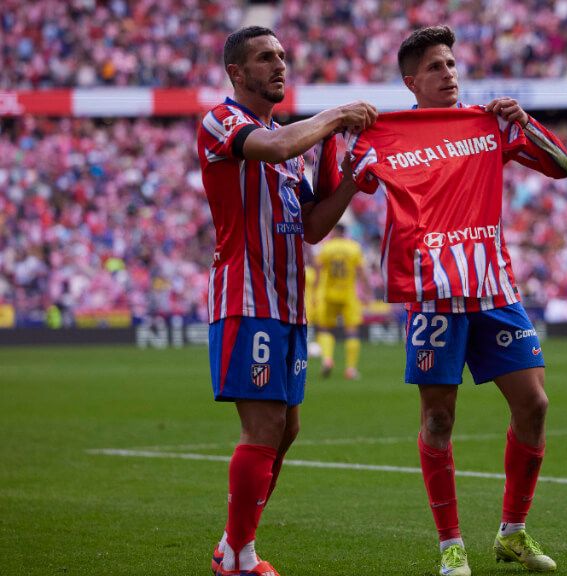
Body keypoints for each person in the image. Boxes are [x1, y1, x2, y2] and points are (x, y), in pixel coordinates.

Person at [345, 25, 567, 576]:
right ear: (410, 81)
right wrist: (345, 135)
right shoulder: (385, 134)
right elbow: (351, 182)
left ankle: (512, 533)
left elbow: (562, 167)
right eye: (435, 68)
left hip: (494, 287)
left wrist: (523, 121)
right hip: (433, 294)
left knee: (535, 405)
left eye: (451, 64)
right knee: (439, 418)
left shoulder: (489, 124)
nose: (448, 74)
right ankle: (451, 544)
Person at [197, 25, 377, 576]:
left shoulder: (292, 149)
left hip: (291, 304)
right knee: (264, 429)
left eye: (281, 55)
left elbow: (315, 227)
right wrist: (336, 115)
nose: (279, 65)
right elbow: (273, 143)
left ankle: (232, 548)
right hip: (245, 297)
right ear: (237, 72)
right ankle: (240, 556)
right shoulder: (222, 121)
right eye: (264, 58)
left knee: (287, 429)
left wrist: (351, 178)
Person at [313, 223, 368, 379]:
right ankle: (350, 369)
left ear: (334, 232)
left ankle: (327, 360)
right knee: (352, 331)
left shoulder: (326, 247)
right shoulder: (353, 248)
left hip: (328, 293)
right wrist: (366, 291)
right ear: (345, 233)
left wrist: (315, 290)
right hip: (348, 294)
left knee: (324, 328)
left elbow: (318, 269)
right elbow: (361, 271)